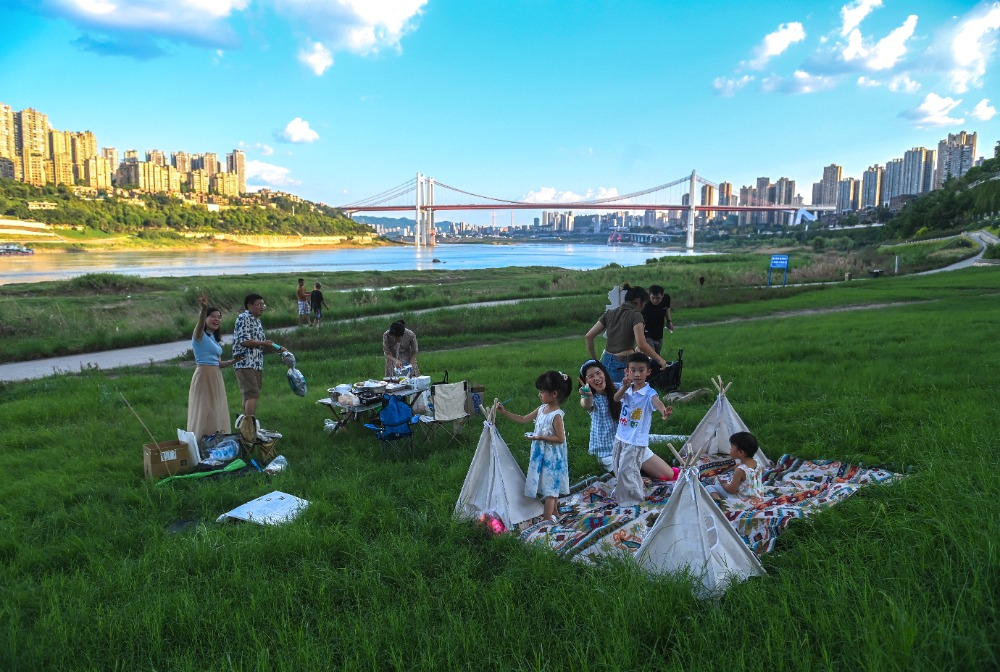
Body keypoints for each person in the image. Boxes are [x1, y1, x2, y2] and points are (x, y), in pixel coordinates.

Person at [578, 358, 678, 479]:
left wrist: (663, 410)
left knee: (669, 475)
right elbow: (586, 404)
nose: (596, 378)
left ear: (604, 373)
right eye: (591, 376)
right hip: (609, 453)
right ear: (586, 381)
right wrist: (587, 395)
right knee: (634, 484)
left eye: (598, 373)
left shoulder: (620, 388)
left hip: (633, 444)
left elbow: (647, 393)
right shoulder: (593, 398)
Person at [498, 371, 573, 523]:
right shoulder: (541, 409)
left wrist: (539, 437)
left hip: (552, 457)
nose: (539, 395)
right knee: (549, 484)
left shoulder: (556, 415)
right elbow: (523, 419)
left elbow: (560, 438)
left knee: (551, 490)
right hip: (542, 455)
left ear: (554, 394)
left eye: (541, 392)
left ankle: (546, 520)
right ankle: (556, 513)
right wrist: (505, 413)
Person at [611, 353, 677, 506]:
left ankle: (633, 500)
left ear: (648, 372)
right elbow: (615, 398)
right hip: (621, 436)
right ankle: (623, 490)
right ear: (627, 372)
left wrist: (663, 411)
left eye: (641, 370)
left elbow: (657, 402)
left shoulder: (649, 393)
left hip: (635, 441)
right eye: (633, 370)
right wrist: (624, 387)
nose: (637, 374)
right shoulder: (626, 388)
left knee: (628, 470)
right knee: (618, 466)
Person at [584, 283, 667, 385]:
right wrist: (659, 359)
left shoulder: (609, 313)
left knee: (611, 396)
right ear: (639, 301)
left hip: (606, 360)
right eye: (644, 305)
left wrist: (595, 361)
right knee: (625, 397)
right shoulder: (636, 315)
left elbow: (588, 336)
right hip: (621, 365)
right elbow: (641, 344)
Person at [187, 294, 239, 444]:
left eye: (219, 317)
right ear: (206, 319)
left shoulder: (213, 339)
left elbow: (218, 363)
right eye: (213, 316)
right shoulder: (199, 335)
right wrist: (203, 309)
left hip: (216, 375)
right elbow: (200, 322)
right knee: (205, 409)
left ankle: (217, 440)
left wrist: (234, 360)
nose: (217, 319)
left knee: (216, 409)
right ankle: (201, 441)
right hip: (203, 375)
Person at [232, 293, 286, 418]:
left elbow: (263, 343)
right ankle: (250, 426)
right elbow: (245, 341)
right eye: (259, 304)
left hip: (256, 363)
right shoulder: (244, 318)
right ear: (249, 306)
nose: (262, 307)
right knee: (252, 394)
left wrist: (278, 348)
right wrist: (265, 343)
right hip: (245, 362)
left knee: (250, 395)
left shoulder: (257, 321)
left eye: (263, 304)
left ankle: (247, 427)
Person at [707, 431, 763, 502]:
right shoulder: (757, 462)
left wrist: (723, 483)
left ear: (741, 452)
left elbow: (731, 490)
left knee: (709, 487)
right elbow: (758, 473)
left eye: (732, 447)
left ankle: (721, 503)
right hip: (757, 495)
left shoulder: (740, 470)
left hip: (742, 500)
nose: (730, 449)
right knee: (718, 482)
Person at [641, 284, 672, 355]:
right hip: (647, 332)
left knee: (657, 355)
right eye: (653, 298)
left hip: (659, 332)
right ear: (649, 296)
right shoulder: (645, 304)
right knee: (651, 354)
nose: (655, 300)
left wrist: (669, 321)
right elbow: (642, 322)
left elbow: (667, 308)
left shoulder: (666, 298)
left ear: (662, 296)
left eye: (658, 298)